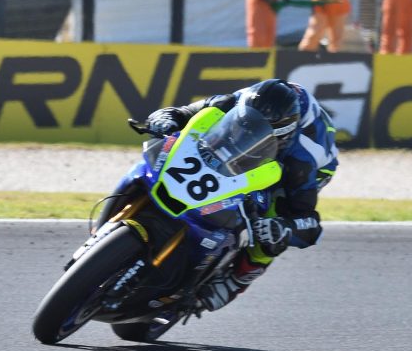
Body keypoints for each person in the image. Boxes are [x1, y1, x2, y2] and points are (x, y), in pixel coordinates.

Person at [143, 79, 339, 311]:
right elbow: (188, 112)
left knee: (271, 224)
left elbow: (309, 225)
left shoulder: (303, 160)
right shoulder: (241, 100)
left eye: (256, 134)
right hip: (267, 116)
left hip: (310, 167)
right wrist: (166, 118)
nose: (247, 135)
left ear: (283, 137)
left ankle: (237, 280)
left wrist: (284, 227)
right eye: (245, 127)